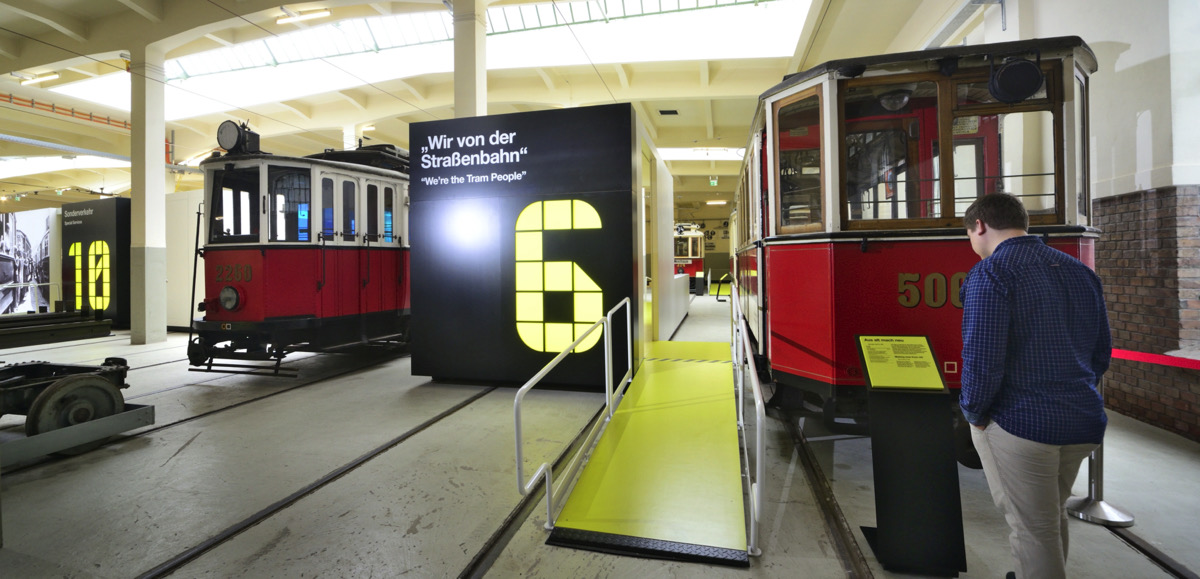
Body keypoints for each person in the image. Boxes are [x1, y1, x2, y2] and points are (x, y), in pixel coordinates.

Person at [959, 192, 1111, 579]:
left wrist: (974, 413)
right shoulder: (1079, 270)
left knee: (1032, 527)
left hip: (1023, 424)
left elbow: (982, 358)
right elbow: (1101, 354)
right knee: (1048, 514)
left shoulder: (991, 272)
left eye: (969, 235)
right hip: (1083, 420)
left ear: (979, 226)